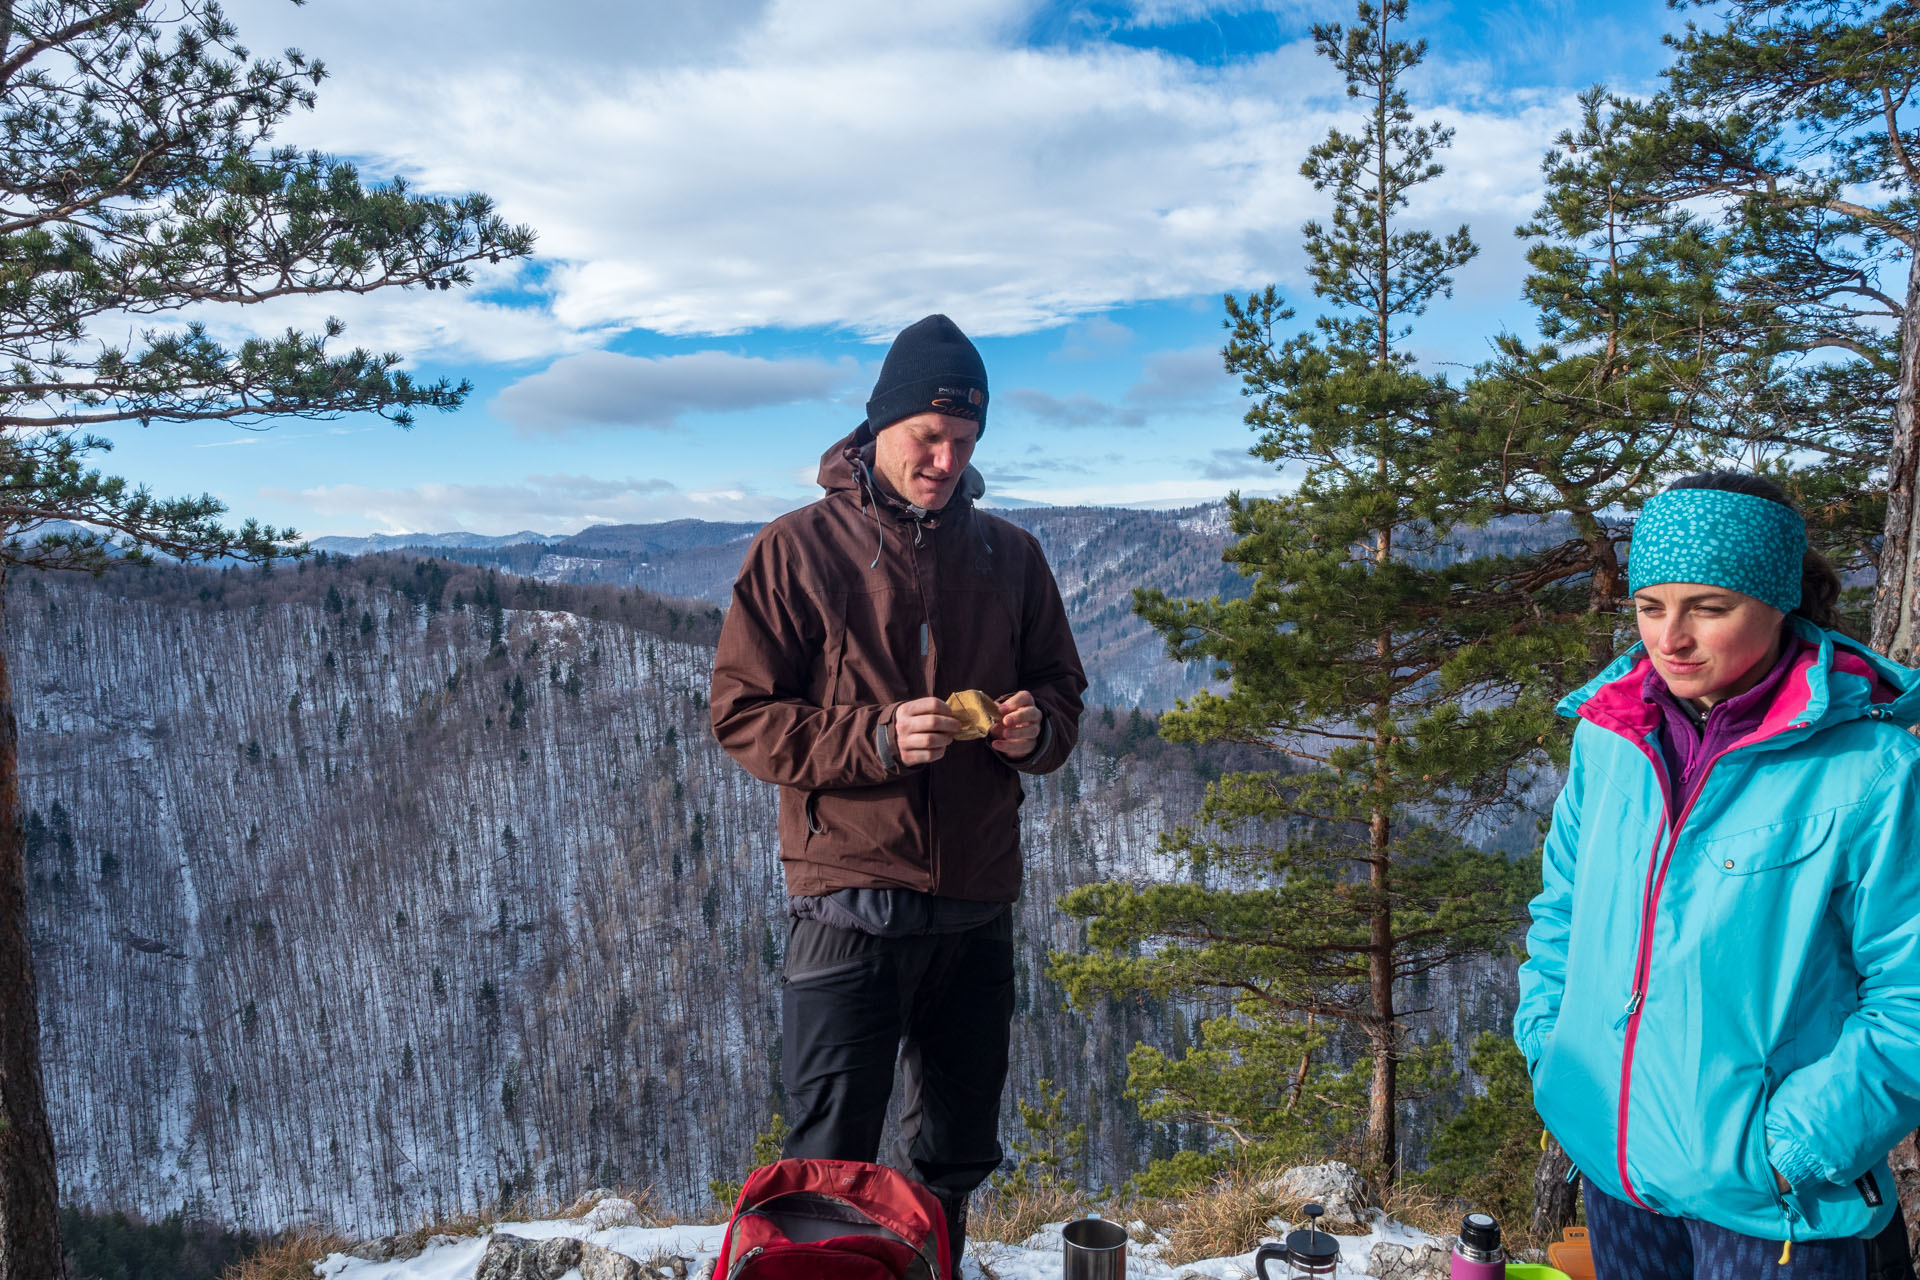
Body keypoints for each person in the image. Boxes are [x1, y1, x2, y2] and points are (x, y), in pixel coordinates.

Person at [709, 314, 1087, 1279]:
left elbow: (1064, 693)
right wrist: (876, 737)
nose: (946, 459)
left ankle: (937, 1268)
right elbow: (743, 717)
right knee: (829, 1155)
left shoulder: (1011, 556)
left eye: (965, 442)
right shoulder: (796, 551)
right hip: (848, 897)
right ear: (878, 426)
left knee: (956, 1151)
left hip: (974, 901)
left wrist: (1036, 729)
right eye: (929, 436)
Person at [1515, 474, 1920, 1280]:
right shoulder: (1612, 738)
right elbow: (1562, 907)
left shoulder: (1873, 769)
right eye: (1649, 606)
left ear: (1777, 603)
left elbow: (1910, 992)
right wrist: (1554, 1053)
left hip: (1773, 1204)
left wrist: (1794, 1147)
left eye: (1708, 607)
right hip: (1616, 1167)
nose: (1671, 638)